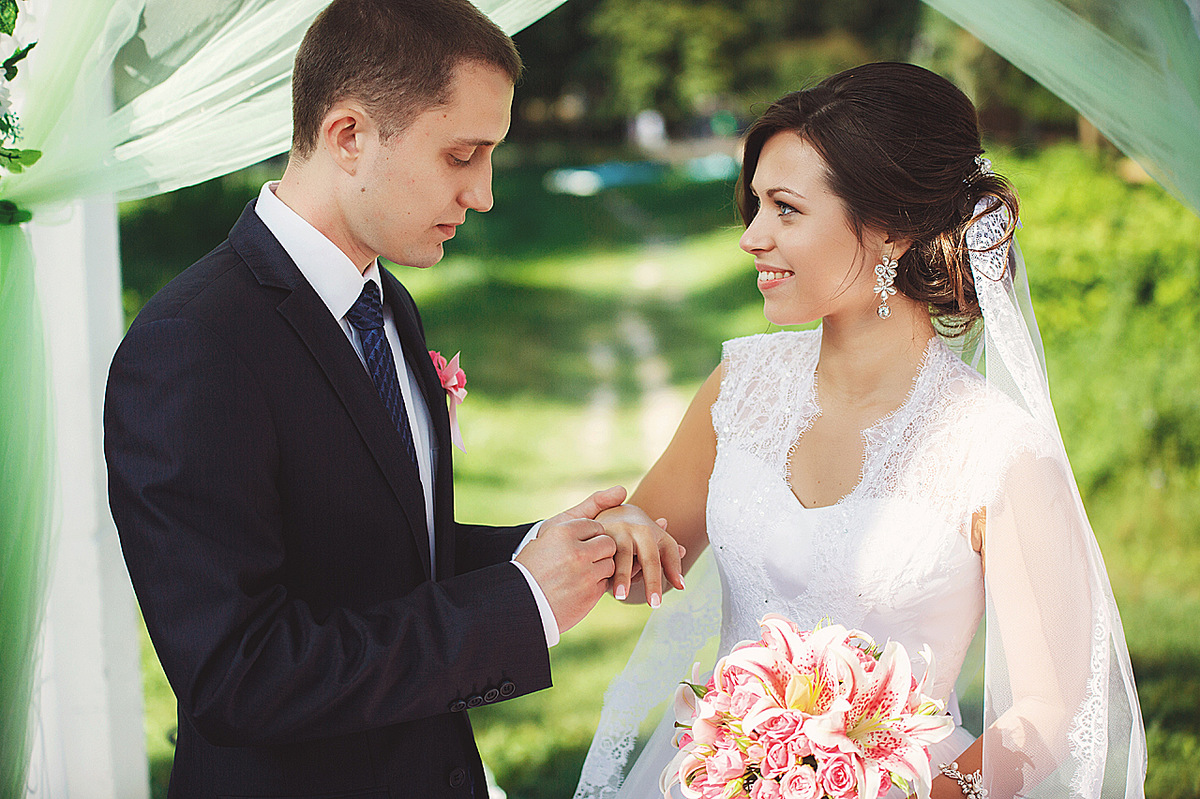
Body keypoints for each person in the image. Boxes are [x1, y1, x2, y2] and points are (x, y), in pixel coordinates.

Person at [103, 1, 682, 797]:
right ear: (349, 137)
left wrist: (548, 547)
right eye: (461, 155)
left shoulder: (386, 304)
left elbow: (384, 555)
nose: (481, 194)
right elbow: (240, 675)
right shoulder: (192, 345)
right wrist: (519, 604)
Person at [575, 63, 1146, 799]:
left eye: (785, 209)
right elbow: (643, 559)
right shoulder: (740, 388)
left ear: (892, 229)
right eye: (755, 206)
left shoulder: (995, 446)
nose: (751, 237)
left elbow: (1049, 703)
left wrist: (913, 791)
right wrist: (622, 530)